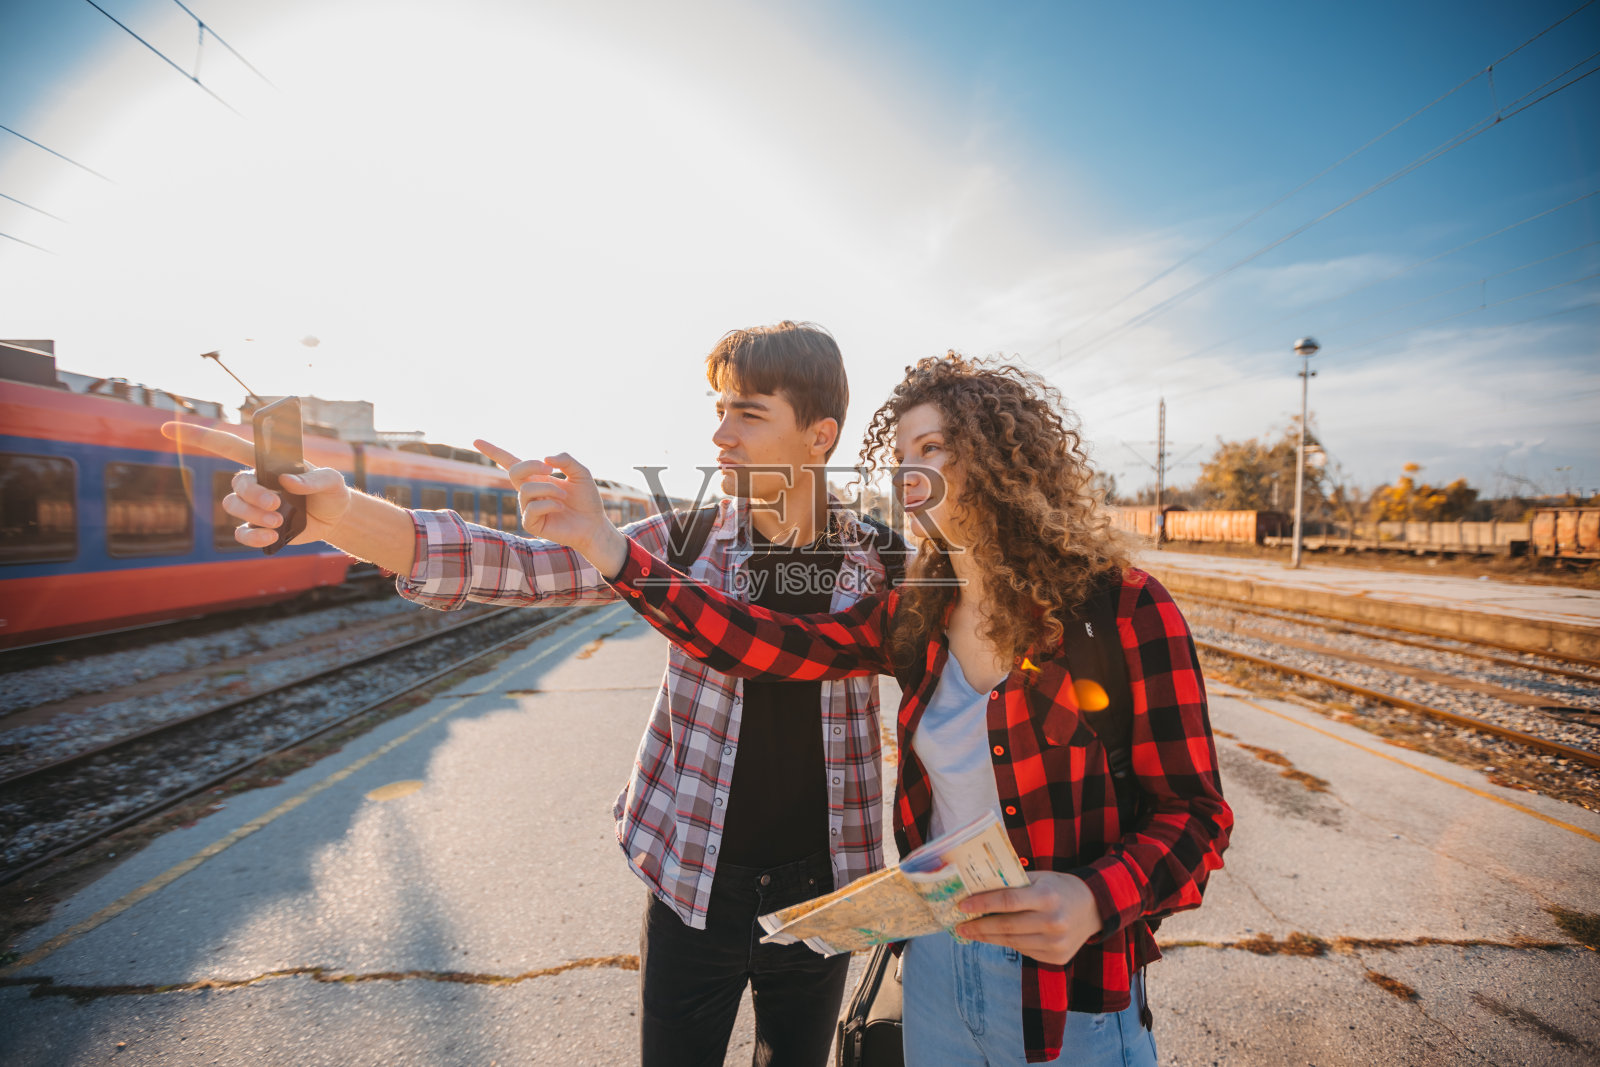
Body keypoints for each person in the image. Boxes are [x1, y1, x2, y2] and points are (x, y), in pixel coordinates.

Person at [163, 321, 908, 1067]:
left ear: (819, 436)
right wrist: (336, 513)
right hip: (692, 874)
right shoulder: (684, 541)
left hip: (827, 887)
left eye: (747, 412)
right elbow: (512, 564)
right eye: (716, 408)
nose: (719, 434)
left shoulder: (884, 562)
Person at [493, 353, 1233, 1065]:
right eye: (902, 455)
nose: (912, 475)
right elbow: (760, 641)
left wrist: (1095, 897)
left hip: (1068, 995)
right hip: (936, 973)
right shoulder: (918, 613)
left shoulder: (1123, 609)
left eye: (935, 447)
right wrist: (609, 548)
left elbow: (1196, 813)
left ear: (1004, 460)